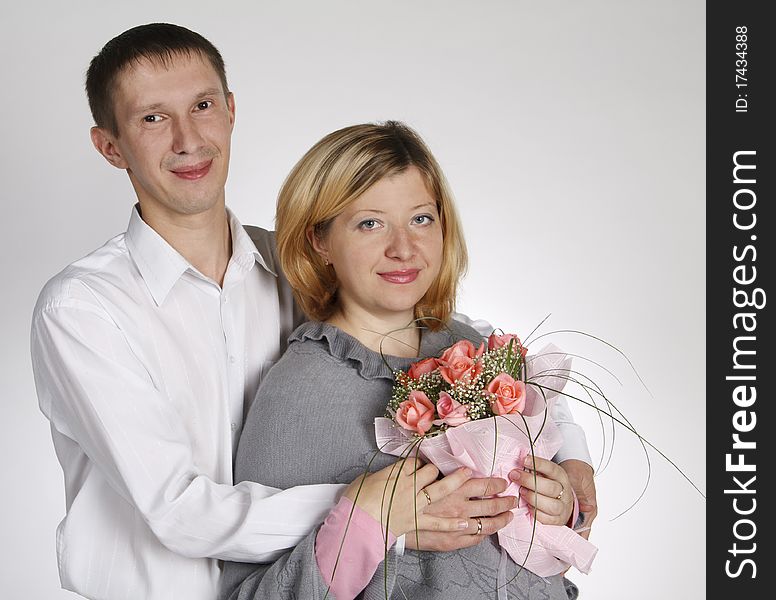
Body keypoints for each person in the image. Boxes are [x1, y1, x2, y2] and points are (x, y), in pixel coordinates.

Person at [30, 23, 595, 600]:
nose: (187, 137)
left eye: (202, 106)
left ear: (229, 111)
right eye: (153, 117)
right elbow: (179, 511)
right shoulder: (83, 309)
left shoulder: (299, 260)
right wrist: (375, 510)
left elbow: (463, 340)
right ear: (110, 146)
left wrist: (572, 465)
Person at [219, 122, 589, 600]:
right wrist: (368, 524)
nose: (403, 248)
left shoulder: (474, 348)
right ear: (320, 241)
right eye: (369, 223)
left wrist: (559, 505)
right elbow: (251, 592)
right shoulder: (301, 391)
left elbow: (540, 530)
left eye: (420, 219)